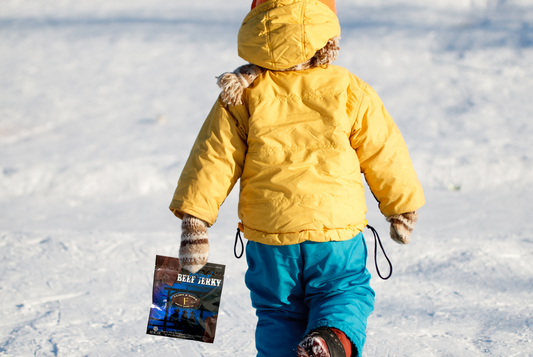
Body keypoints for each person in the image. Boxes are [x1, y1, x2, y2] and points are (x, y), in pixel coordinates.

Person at [169, 0, 425, 356]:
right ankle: (329, 341)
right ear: (326, 35)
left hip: (269, 236)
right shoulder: (348, 88)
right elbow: (384, 149)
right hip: (334, 230)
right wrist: (402, 206)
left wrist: (195, 222)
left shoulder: (243, 92)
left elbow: (213, 157)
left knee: (278, 312)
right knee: (342, 291)